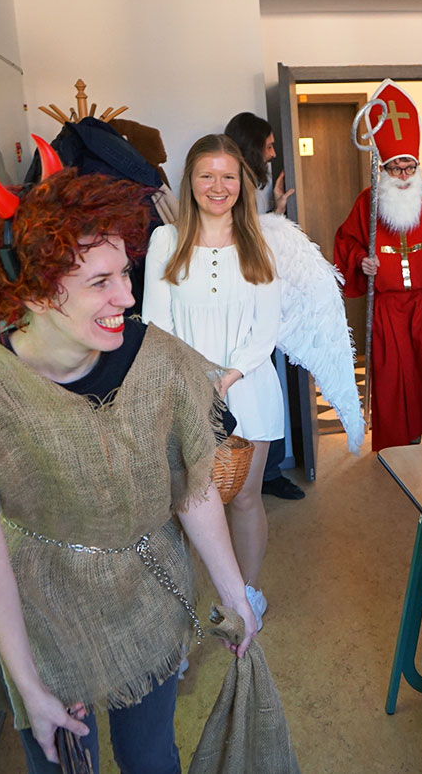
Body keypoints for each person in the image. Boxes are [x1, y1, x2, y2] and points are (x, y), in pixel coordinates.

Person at [0, 144, 256, 773]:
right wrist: (29, 688)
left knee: (152, 757)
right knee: (66, 764)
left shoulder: (154, 358)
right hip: (43, 619)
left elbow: (193, 487)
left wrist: (236, 592)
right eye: (100, 283)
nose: (125, 297)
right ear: (36, 293)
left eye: (125, 274)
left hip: (148, 597)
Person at [144, 134, 282, 630]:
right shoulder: (166, 240)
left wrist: (230, 373)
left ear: (243, 182)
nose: (218, 186)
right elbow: (156, 323)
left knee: (244, 497)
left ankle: (246, 596)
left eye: (228, 176)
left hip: (249, 385)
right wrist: (196, 379)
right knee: (186, 506)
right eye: (207, 175)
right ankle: (182, 611)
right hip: (184, 390)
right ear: (191, 181)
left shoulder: (261, 240)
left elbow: (267, 327)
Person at [333, 79, 422, 451]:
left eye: (411, 167)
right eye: (396, 168)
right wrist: (361, 261)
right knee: (395, 382)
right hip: (388, 310)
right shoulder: (368, 201)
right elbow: (346, 242)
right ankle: (400, 450)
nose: (405, 175)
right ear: (384, 168)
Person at [224, 112, 305, 500]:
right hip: (245, 305)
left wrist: (275, 210)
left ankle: (261, 473)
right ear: (253, 146)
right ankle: (261, 475)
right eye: (268, 146)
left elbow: (252, 235)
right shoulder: (235, 184)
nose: (272, 154)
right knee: (253, 391)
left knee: (258, 391)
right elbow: (248, 241)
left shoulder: (247, 185)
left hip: (255, 298)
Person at [223, 111, 294, 215]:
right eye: (269, 147)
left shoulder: (251, 186)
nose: (273, 154)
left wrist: (279, 209)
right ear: (252, 149)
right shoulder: (229, 192)